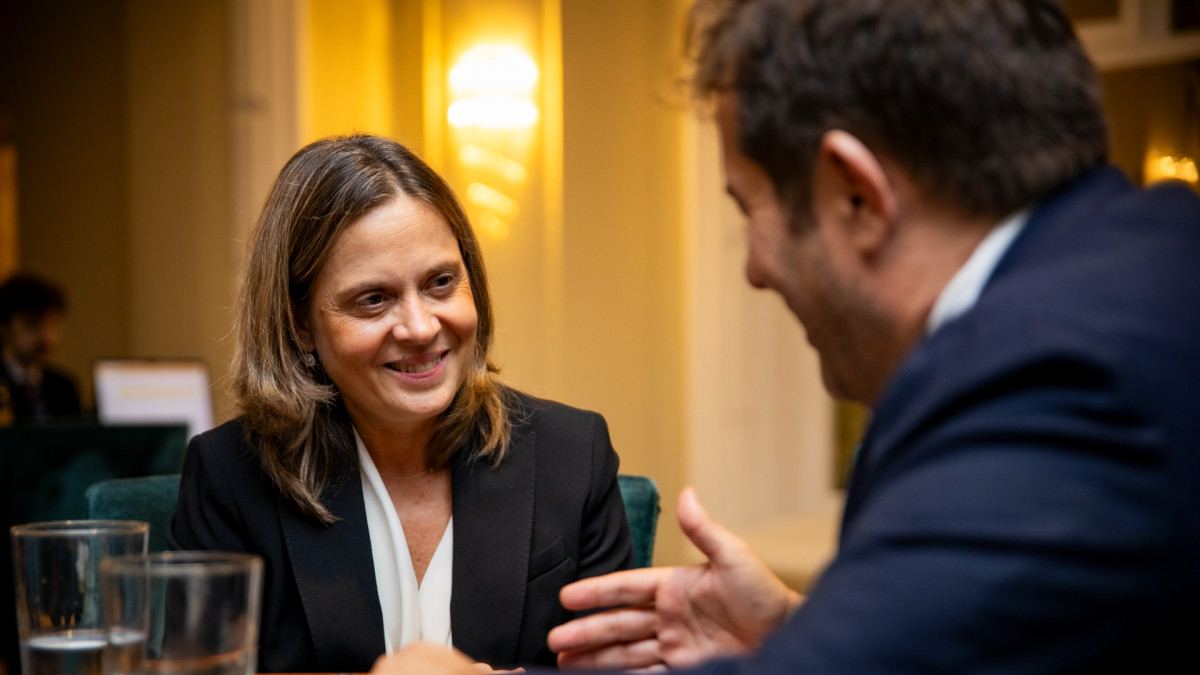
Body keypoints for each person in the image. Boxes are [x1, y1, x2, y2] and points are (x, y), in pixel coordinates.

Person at [371, 0, 1200, 673]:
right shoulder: (1150, 259)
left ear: (856, 196)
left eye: (748, 210)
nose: (755, 270)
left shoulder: (1046, 381)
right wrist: (800, 633)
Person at [168, 134, 634, 673]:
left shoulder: (572, 454)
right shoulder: (229, 478)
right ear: (300, 324)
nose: (420, 327)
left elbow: (618, 669)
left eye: (441, 283)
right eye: (373, 299)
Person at [0, 272, 82, 423]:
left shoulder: (64, 387)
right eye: (31, 324)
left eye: (52, 325)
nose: (46, 336)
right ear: (4, 326)